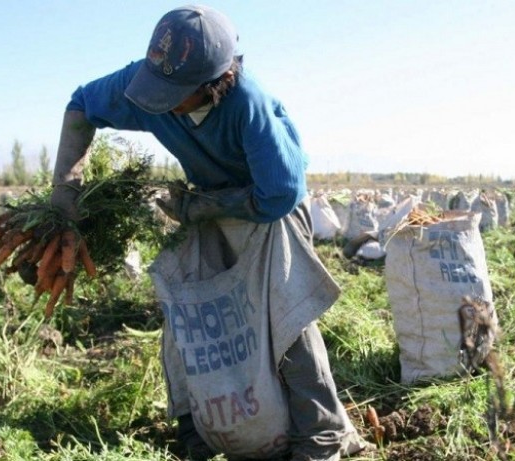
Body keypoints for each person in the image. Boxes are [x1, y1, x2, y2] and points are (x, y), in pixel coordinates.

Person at [49, 6, 365, 461]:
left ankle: (322, 435)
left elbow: (280, 193)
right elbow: (80, 104)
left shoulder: (247, 104)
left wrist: (199, 206)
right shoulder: (143, 86)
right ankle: (196, 431)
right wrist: (66, 190)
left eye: (174, 94)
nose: (161, 103)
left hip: (267, 209)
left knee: (285, 316)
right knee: (186, 314)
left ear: (216, 84)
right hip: (206, 207)